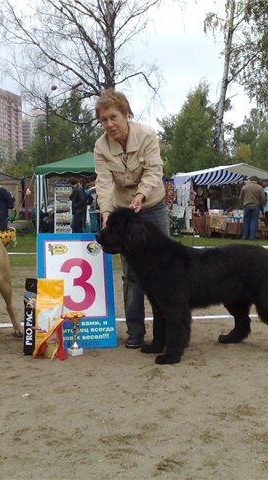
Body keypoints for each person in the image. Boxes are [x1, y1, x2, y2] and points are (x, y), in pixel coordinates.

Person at [93, 88, 169, 349]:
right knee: (132, 273)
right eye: (103, 120)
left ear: (126, 114)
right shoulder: (101, 146)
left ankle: (167, 330)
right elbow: (103, 183)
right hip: (124, 213)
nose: (109, 124)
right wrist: (105, 212)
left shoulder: (147, 134)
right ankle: (135, 331)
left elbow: (154, 170)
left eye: (113, 117)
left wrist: (141, 195)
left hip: (153, 205)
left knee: (165, 270)